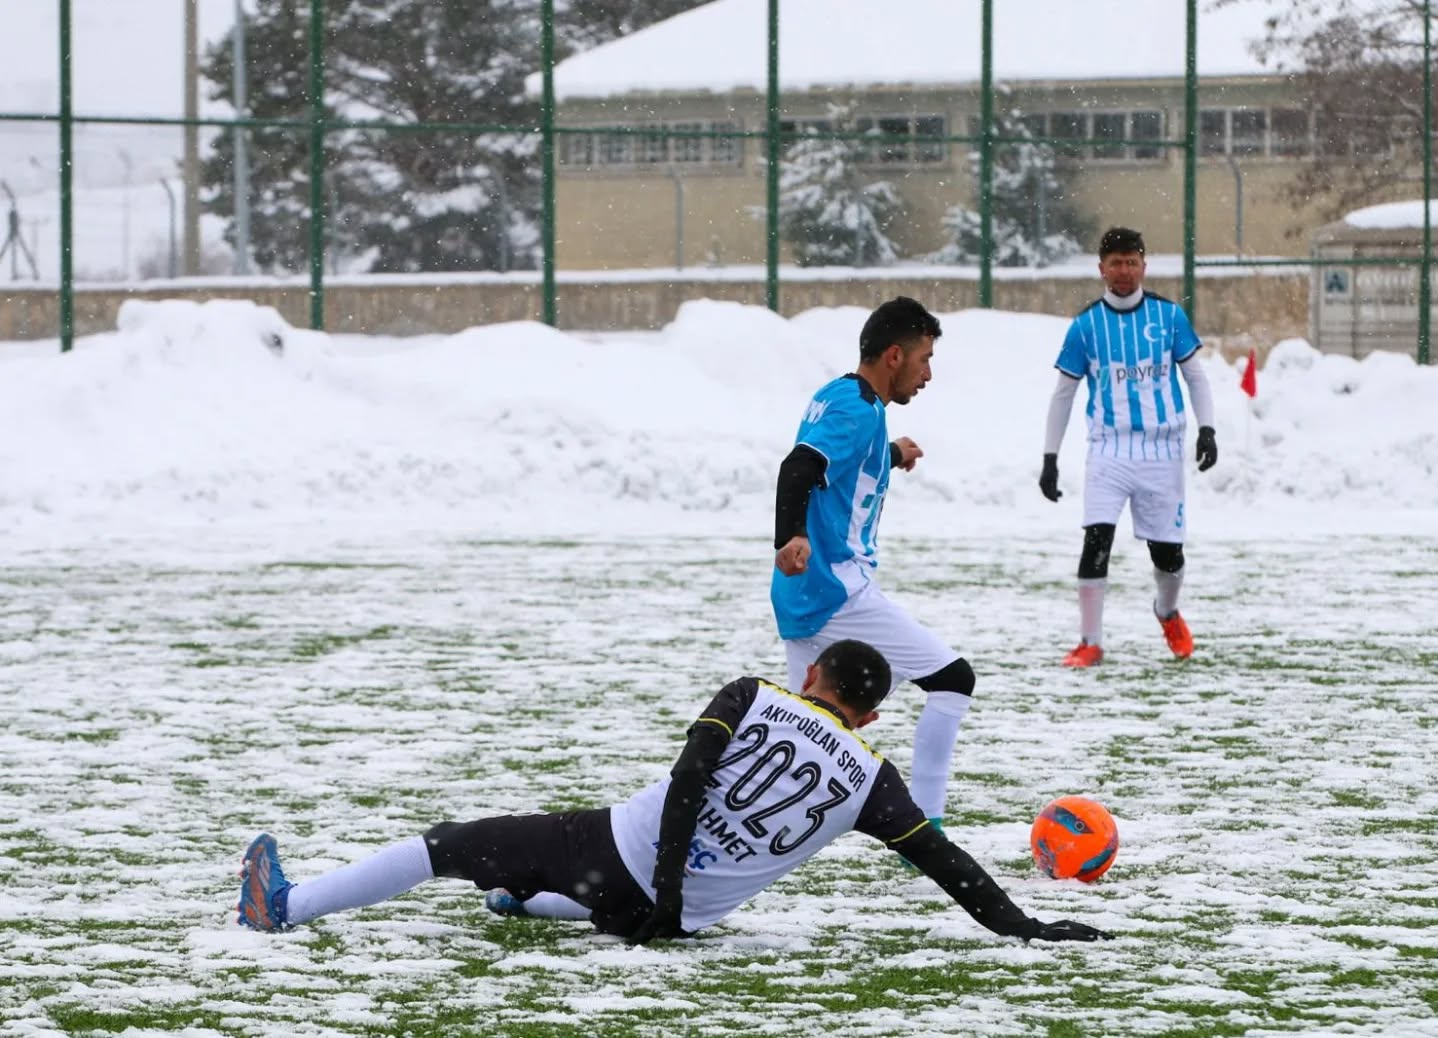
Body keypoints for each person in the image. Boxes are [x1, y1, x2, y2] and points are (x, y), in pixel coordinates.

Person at [234, 640, 1111, 947]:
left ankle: (285, 907)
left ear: (811, 673)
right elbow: (946, 863)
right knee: (541, 887)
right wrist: (1026, 926)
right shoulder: (874, 781)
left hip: (617, 859)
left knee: (444, 844)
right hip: (678, 917)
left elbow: (692, 780)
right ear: (873, 715)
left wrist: (667, 873)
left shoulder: (751, 694)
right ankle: (530, 904)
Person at [770, 296, 974, 836]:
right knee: (953, 679)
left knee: (802, 734)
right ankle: (925, 825)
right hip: (836, 591)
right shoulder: (855, 410)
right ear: (892, 356)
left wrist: (890, 453)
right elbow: (800, 467)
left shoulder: (844, 396)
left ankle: (731, 813)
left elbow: (841, 456)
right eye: (923, 359)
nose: (928, 373)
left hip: (804, 595)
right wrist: (789, 535)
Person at [1040, 227, 1217, 668]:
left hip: (1162, 449)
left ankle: (1167, 610)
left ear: (1144, 265)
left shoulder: (1169, 317)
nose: (1123, 270)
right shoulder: (1085, 327)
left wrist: (1207, 429)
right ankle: (1090, 642)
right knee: (1096, 538)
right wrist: (1050, 458)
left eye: (1131, 261)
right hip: (1109, 448)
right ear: (1102, 269)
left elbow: (1195, 376)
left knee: (1167, 554)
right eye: (1115, 262)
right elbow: (1063, 393)